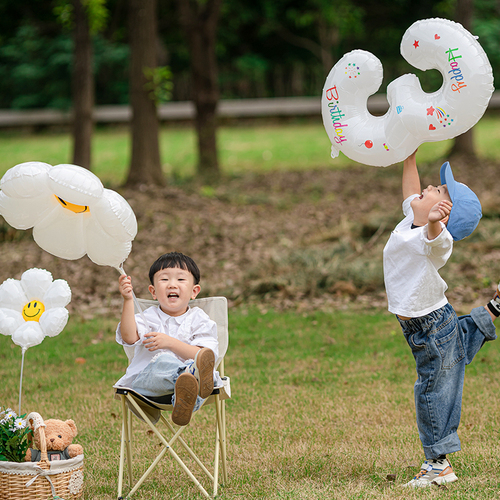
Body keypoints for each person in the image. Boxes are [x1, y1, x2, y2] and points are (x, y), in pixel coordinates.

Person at [383, 150, 499, 488]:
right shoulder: (411, 222)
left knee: (433, 389)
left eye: (439, 191)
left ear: (444, 213)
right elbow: (411, 194)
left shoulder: (435, 236)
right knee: (455, 349)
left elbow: (436, 241)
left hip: (430, 326)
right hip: (430, 323)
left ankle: (438, 465)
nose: (430, 186)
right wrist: (409, 158)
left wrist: (434, 220)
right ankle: (495, 307)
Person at [114, 252, 220, 426]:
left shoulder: (199, 319)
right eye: (164, 280)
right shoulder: (147, 316)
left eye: (180, 280)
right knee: (163, 360)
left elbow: (204, 355)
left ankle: (187, 390)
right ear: (153, 292)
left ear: (194, 291)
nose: (172, 285)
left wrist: (170, 342)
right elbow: (129, 337)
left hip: (186, 388)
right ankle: (189, 379)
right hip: (147, 384)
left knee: (201, 368)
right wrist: (127, 300)